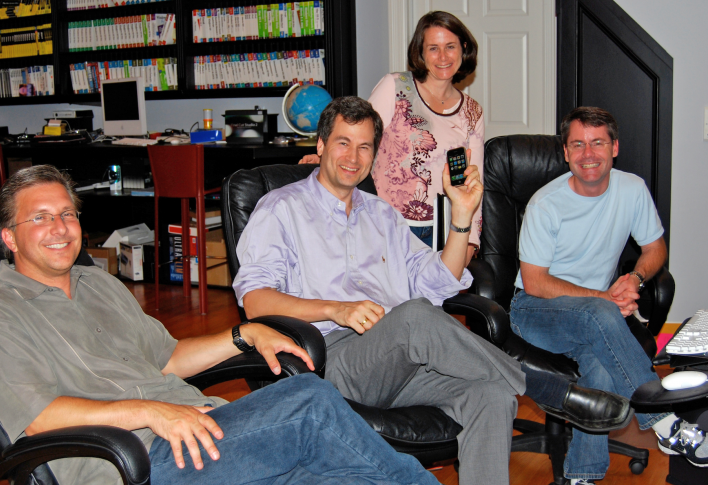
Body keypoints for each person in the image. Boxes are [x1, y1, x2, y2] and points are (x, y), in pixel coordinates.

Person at [235, 97, 634, 485]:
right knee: (414, 316)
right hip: (330, 360)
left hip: (401, 362)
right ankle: (545, 388)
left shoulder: (383, 215)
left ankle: (521, 388)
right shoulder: (280, 208)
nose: (353, 157)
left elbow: (436, 281)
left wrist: (461, 217)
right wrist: (336, 309)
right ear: (321, 145)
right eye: (343, 143)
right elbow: (255, 301)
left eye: (364, 146)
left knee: (492, 395)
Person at [0, 165, 444, 485]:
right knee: (311, 404)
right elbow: (38, 417)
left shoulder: (98, 284)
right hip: (134, 459)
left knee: (330, 472)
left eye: (67, 214)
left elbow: (169, 357)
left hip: (199, 428)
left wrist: (243, 335)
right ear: (9, 236)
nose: (60, 227)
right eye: (41, 218)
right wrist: (150, 412)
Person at [510, 106, 707, 484]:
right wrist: (603, 298)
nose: (588, 154)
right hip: (535, 310)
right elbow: (534, 282)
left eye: (598, 143)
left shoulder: (631, 189)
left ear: (614, 147)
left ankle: (582, 475)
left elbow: (655, 249)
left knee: (598, 368)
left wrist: (633, 279)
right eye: (578, 144)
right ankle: (665, 422)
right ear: (565, 152)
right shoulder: (545, 204)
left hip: (596, 315)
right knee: (600, 316)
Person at [301, 11, 483, 262]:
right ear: (420, 52)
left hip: (444, 231)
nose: (443, 57)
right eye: (433, 48)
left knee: (433, 301)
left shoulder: (472, 112)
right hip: (385, 225)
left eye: (450, 46)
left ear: (463, 48)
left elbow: (474, 181)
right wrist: (327, 158)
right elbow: (359, 135)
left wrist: (469, 242)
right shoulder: (395, 86)